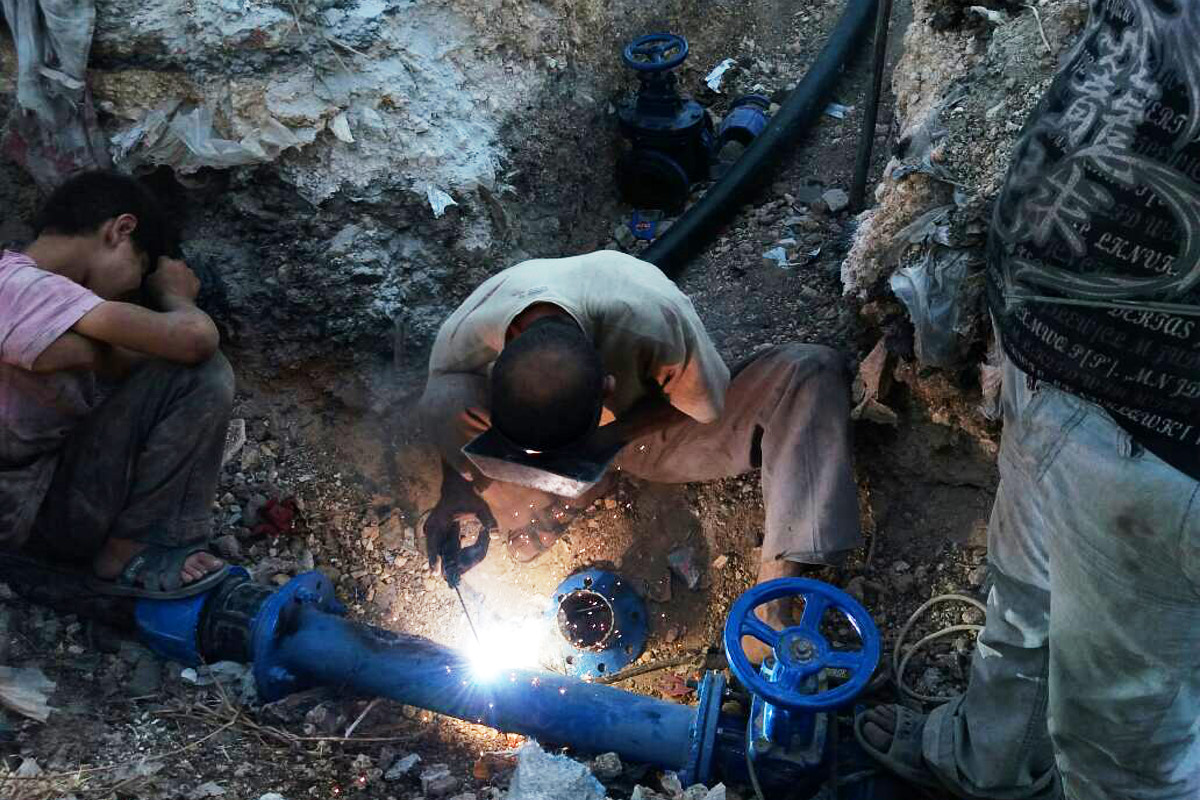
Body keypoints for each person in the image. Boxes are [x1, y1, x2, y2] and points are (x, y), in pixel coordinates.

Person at [857, 0, 1200, 797]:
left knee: (1124, 752)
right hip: (1054, 377)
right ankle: (989, 764)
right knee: (1018, 615)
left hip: (1156, 454)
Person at [419, 250, 861, 652]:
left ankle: (773, 603)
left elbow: (706, 407)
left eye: (559, 465)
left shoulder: (654, 322)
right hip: (579, 434)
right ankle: (528, 507)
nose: (558, 469)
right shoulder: (469, 332)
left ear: (607, 387)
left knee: (811, 373)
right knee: (444, 403)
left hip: (638, 437)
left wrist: (609, 438)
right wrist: (453, 487)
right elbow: (448, 410)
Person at [0, 170, 234, 598]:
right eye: (139, 269)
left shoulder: (31, 298)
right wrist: (176, 297)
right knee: (203, 373)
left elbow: (130, 365)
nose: (129, 291)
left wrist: (89, 353)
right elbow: (195, 342)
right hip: (22, 512)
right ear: (121, 230)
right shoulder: (20, 284)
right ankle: (134, 547)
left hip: (34, 504)